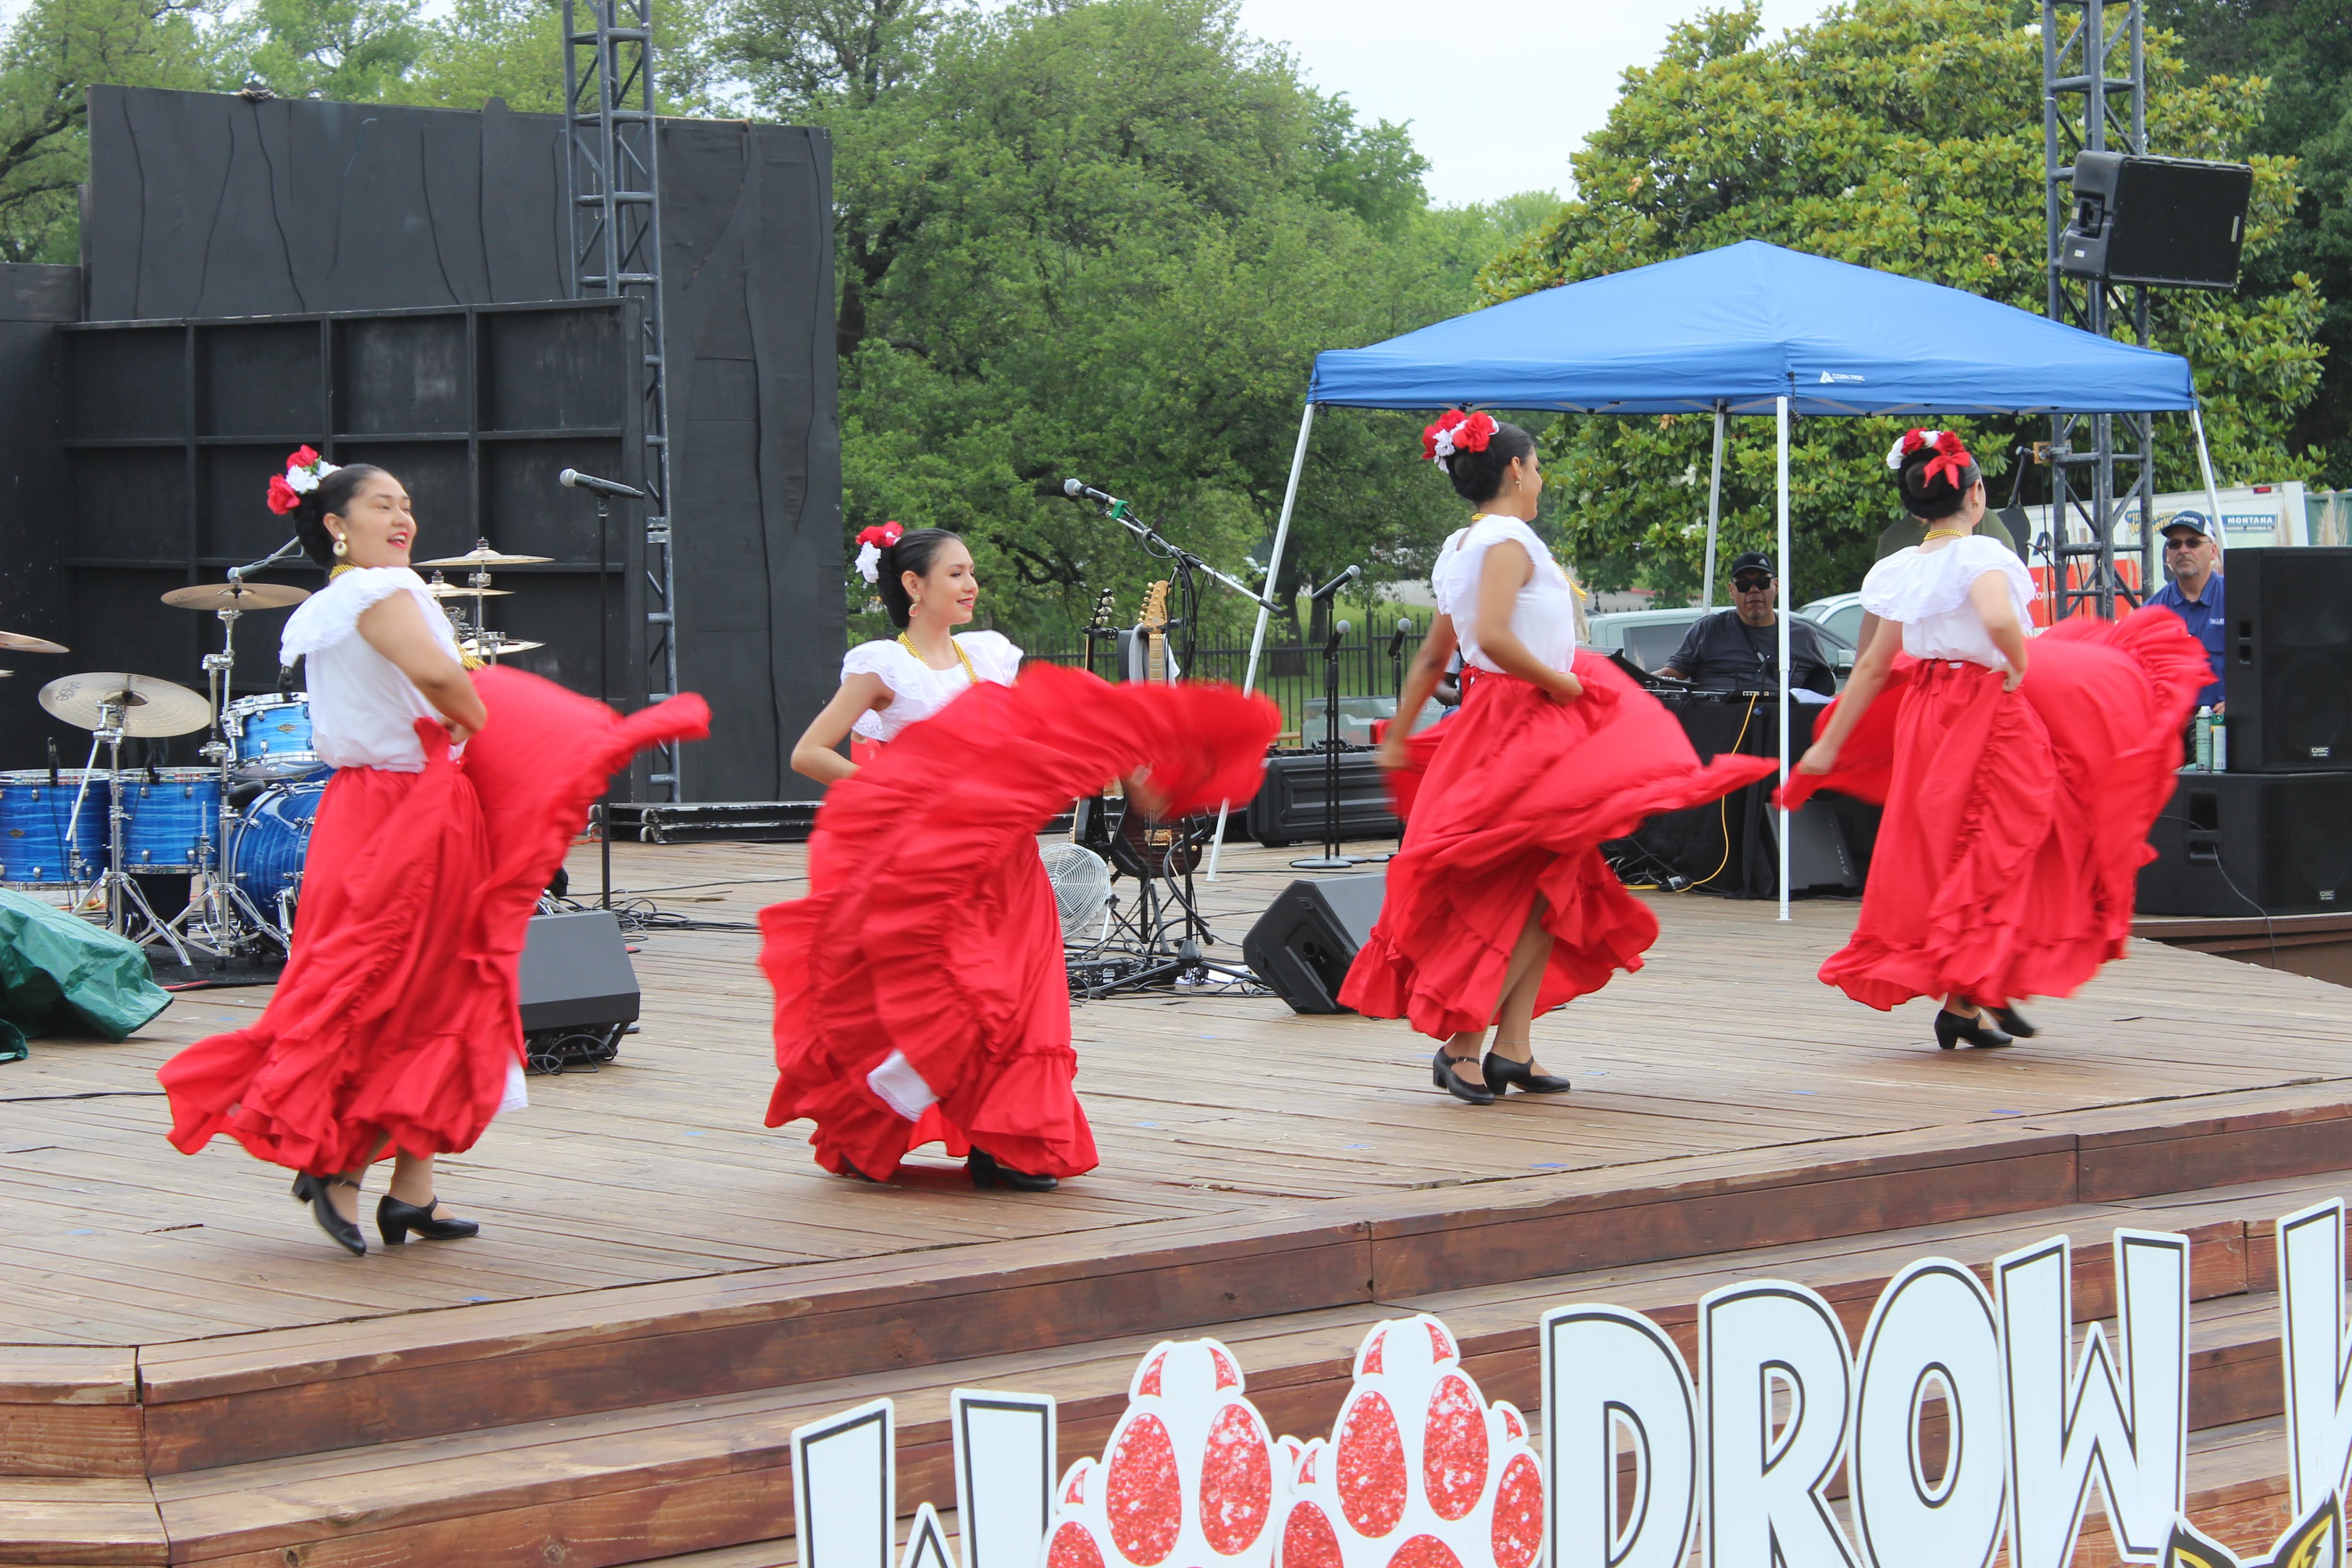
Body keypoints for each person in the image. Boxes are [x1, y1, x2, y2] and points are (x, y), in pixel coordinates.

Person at [158, 449, 705, 1254]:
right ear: (337, 527)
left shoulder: (339, 602)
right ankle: (340, 1165)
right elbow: (446, 686)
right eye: (381, 505)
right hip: (403, 810)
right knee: (400, 985)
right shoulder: (383, 590)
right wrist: (501, 733)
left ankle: (408, 1190)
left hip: (379, 804)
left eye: (406, 502)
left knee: (430, 988)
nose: (402, 516)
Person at [764, 523, 1276, 1190]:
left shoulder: (991, 657)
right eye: (955, 574)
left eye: (972, 571)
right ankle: (878, 1117)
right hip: (929, 862)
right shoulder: (882, 666)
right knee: (952, 994)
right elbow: (811, 751)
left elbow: (1061, 725)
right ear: (913, 586)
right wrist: (902, 790)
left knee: (1018, 996)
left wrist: (1135, 770)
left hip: (1005, 858)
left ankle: (1002, 1136)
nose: (971, 584)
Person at [1341, 412, 1777, 1103]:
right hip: (1523, 718)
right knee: (1521, 885)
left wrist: (1400, 729)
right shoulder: (1507, 539)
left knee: (1553, 882)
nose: (1540, 479)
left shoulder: (1460, 544)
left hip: (1500, 716)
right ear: (1514, 470)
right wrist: (1566, 682)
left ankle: (1511, 1047)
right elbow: (1487, 634)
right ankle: (1463, 1044)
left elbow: (1436, 652)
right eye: (1537, 467)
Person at [1787, 430, 2209, 1050]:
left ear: (1913, 507)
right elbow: (1995, 615)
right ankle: (1976, 988)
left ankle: (1969, 997)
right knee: (2017, 836)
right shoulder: (1984, 557)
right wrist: (2015, 657)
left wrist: (1828, 745)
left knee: (1955, 848)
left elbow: (1875, 664)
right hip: (1986, 708)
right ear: (1977, 494)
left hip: (1927, 714)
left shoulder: (1893, 569)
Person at [1857, 494, 2024, 656]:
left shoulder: (1987, 529)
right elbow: (1879, 614)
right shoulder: (1894, 539)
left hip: (1975, 666)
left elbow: (2003, 616)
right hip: (1916, 668)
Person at [1656, 551, 1839, 696]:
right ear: (1731, 590)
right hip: (1721, 731)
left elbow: (1824, 692)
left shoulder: (1803, 635)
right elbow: (1670, 675)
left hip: (1783, 735)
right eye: (1744, 585)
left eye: (1762, 583)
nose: (1754, 590)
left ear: (1776, 586)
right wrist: (1633, 682)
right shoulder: (1708, 630)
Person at [2146, 510, 2226, 710]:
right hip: (2173, 727)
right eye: (2175, 545)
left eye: (2193, 543)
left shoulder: (2239, 599)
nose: (2183, 550)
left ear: (2213, 552)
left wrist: (2243, 701)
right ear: (2168, 556)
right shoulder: (2152, 611)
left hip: (2227, 724)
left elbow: (2268, 662)